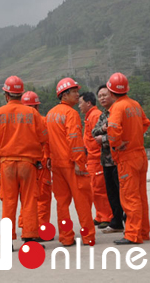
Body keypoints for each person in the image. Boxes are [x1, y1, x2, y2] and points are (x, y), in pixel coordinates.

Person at [0, 76, 48, 248]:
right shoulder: (32, 113)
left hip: (7, 164)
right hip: (28, 163)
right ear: (21, 94)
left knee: (9, 202)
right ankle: (30, 238)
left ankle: (8, 241)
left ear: (6, 95)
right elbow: (44, 137)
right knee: (29, 201)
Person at [46, 78, 96, 247]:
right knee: (82, 201)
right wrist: (79, 162)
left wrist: (48, 158)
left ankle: (66, 237)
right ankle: (88, 236)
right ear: (65, 94)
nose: (77, 94)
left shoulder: (50, 114)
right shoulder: (71, 113)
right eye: (74, 92)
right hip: (71, 164)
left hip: (56, 164)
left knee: (62, 203)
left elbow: (46, 140)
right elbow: (74, 139)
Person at [105, 72, 150, 245]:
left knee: (130, 197)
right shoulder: (135, 104)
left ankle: (132, 234)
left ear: (110, 91)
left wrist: (117, 145)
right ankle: (143, 231)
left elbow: (114, 129)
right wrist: (135, 136)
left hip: (127, 157)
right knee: (141, 196)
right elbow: (146, 123)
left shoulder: (118, 107)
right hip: (140, 154)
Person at [92, 85, 125, 233]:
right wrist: (104, 130)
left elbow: (122, 134)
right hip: (106, 160)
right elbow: (94, 131)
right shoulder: (104, 114)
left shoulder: (119, 110)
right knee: (111, 193)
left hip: (119, 159)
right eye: (100, 96)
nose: (102, 98)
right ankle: (117, 221)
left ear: (112, 95)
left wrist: (103, 138)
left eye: (105, 95)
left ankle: (128, 220)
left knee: (123, 192)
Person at [79, 90, 114, 229]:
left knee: (100, 189)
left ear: (88, 103)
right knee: (95, 189)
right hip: (91, 159)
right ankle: (100, 215)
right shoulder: (89, 116)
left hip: (97, 158)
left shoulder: (95, 115)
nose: (79, 106)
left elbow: (98, 137)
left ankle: (106, 216)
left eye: (81, 103)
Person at [22, 90, 53, 232]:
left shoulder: (18, 122)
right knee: (43, 198)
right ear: (37, 107)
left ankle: (25, 226)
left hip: (24, 164)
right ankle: (40, 228)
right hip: (41, 163)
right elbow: (48, 141)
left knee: (26, 197)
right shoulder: (43, 120)